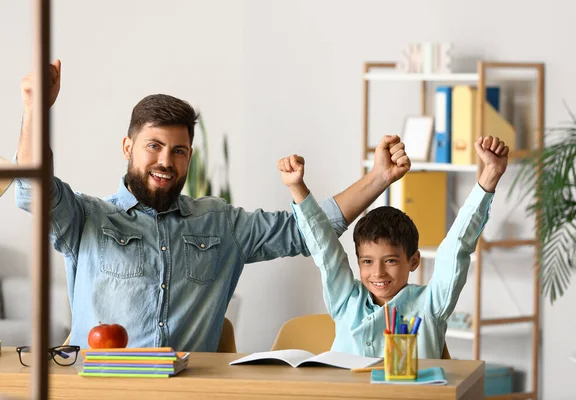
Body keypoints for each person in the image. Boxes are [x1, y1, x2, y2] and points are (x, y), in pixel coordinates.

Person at [14, 60, 409, 351]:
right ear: (127, 147)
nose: (166, 161)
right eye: (154, 146)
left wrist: (378, 178)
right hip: (103, 391)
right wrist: (35, 110)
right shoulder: (86, 218)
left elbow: (306, 230)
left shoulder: (219, 223)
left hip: (190, 391)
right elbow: (32, 191)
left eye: (179, 150)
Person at [279, 135, 509, 358]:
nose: (378, 273)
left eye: (390, 261)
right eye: (367, 262)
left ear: (413, 261)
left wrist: (490, 175)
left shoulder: (430, 304)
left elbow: (457, 247)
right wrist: (296, 187)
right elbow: (324, 248)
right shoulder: (346, 299)